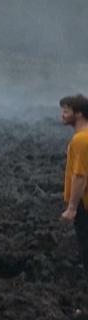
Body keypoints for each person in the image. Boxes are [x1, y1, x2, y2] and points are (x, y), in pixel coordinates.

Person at [59, 93, 88, 273]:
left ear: (78, 114)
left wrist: (72, 208)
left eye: (66, 111)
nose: (62, 114)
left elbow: (80, 176)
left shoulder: (80, 140)